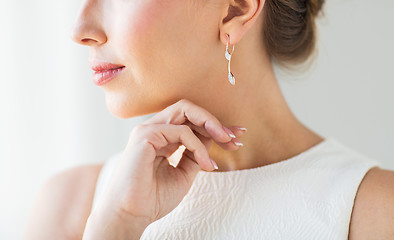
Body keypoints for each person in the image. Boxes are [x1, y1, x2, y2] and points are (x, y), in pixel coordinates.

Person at [23, 0, 394, 239]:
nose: (79, 29)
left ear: (235, 9)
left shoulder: (375, 213)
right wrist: (115, 227)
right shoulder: (71, 206)